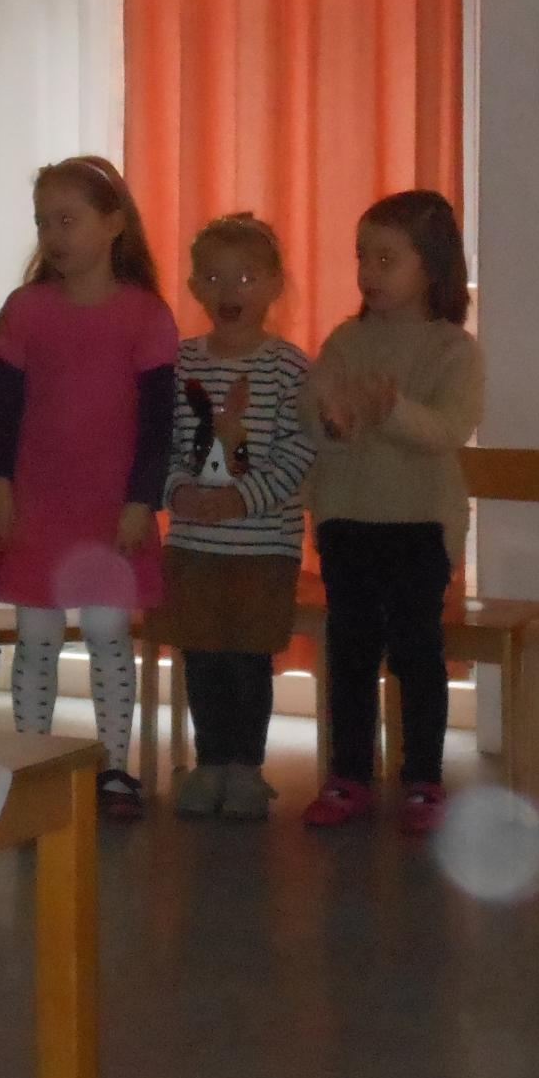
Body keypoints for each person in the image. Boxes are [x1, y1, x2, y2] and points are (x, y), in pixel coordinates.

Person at [0, 155, 178, 822]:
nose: (54, 236)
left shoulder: (144, 315)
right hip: (39, 502)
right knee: (36, 636)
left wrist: (139, 501)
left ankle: (114, 765)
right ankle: (34, 759)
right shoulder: (26, 310)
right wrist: (0, 487)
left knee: (105, 633)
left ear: (113, 224)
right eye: (43, 223)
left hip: (109, 508)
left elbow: (159, 426)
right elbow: (3, 412)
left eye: (68, 220)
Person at [299, 194, 482, 836]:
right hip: (346, 520)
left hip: (420, 526)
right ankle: (348, 773)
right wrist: (333, 420)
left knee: (416, 652)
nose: (368, 273)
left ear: (430, 268)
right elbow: (315, 415)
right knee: (349, 650)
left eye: (386, 258)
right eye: (361, 257)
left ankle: (422, 782)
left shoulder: (452, 348)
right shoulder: (346, 339)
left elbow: (448, 429)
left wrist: (390, 408)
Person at [159, 214, 316, 823]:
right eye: (215, 278)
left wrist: (243, 498)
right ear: (196, 286)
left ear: (274, 286)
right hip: (195, 543)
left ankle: (245, 767)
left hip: (263, 548)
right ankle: (209, 762)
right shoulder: (180, 364)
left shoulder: (289, 368)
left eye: (247, 277)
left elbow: (301, 451)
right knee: (201, 654)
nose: (231, 291)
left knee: (248, 658)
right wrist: (179, 492)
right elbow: (166, 447)